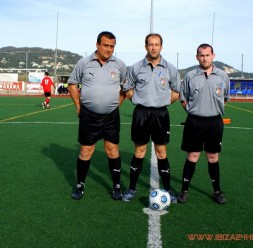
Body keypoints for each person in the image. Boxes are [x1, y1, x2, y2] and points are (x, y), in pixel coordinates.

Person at [122, 33, 181, 203]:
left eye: (156, 44)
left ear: (161, 46)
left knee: (161, 151)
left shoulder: (170, 68)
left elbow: (177, 92)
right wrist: (138, 100)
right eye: (150, 44)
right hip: (141, 113)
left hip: (160, 114)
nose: (153, 47)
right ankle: (131, 189)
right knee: (139, 150)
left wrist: (161, 101)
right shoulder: (135, 67)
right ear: (145, 46)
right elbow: (127, 89)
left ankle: (168, 190)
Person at [68, 31, 127, 201]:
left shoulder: (120, 65)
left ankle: (116, 186)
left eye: (112, 46)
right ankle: (80, 185)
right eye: (106, 45)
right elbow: (72, 84)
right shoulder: (84, 63)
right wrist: (78, 106)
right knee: (86, 150)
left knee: (113, 151)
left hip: (111, 117)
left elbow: (125, 87)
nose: (109, 49)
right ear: (97, 45)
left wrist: (116, 105)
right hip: (89, 116)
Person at [177, 43, 230, 204]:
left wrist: (213, 110)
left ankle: (217, 191)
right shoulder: (190, 76)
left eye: (207, 55)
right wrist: (193, 112)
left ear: (213, 56)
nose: (204, 58)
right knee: (192, 156)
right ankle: (184, 190)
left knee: (213, 156)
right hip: (194, 121)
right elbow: (183, 98)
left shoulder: (222, 76)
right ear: (197, 57)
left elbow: (225, 98)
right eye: (201, 55)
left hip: (214, 121)